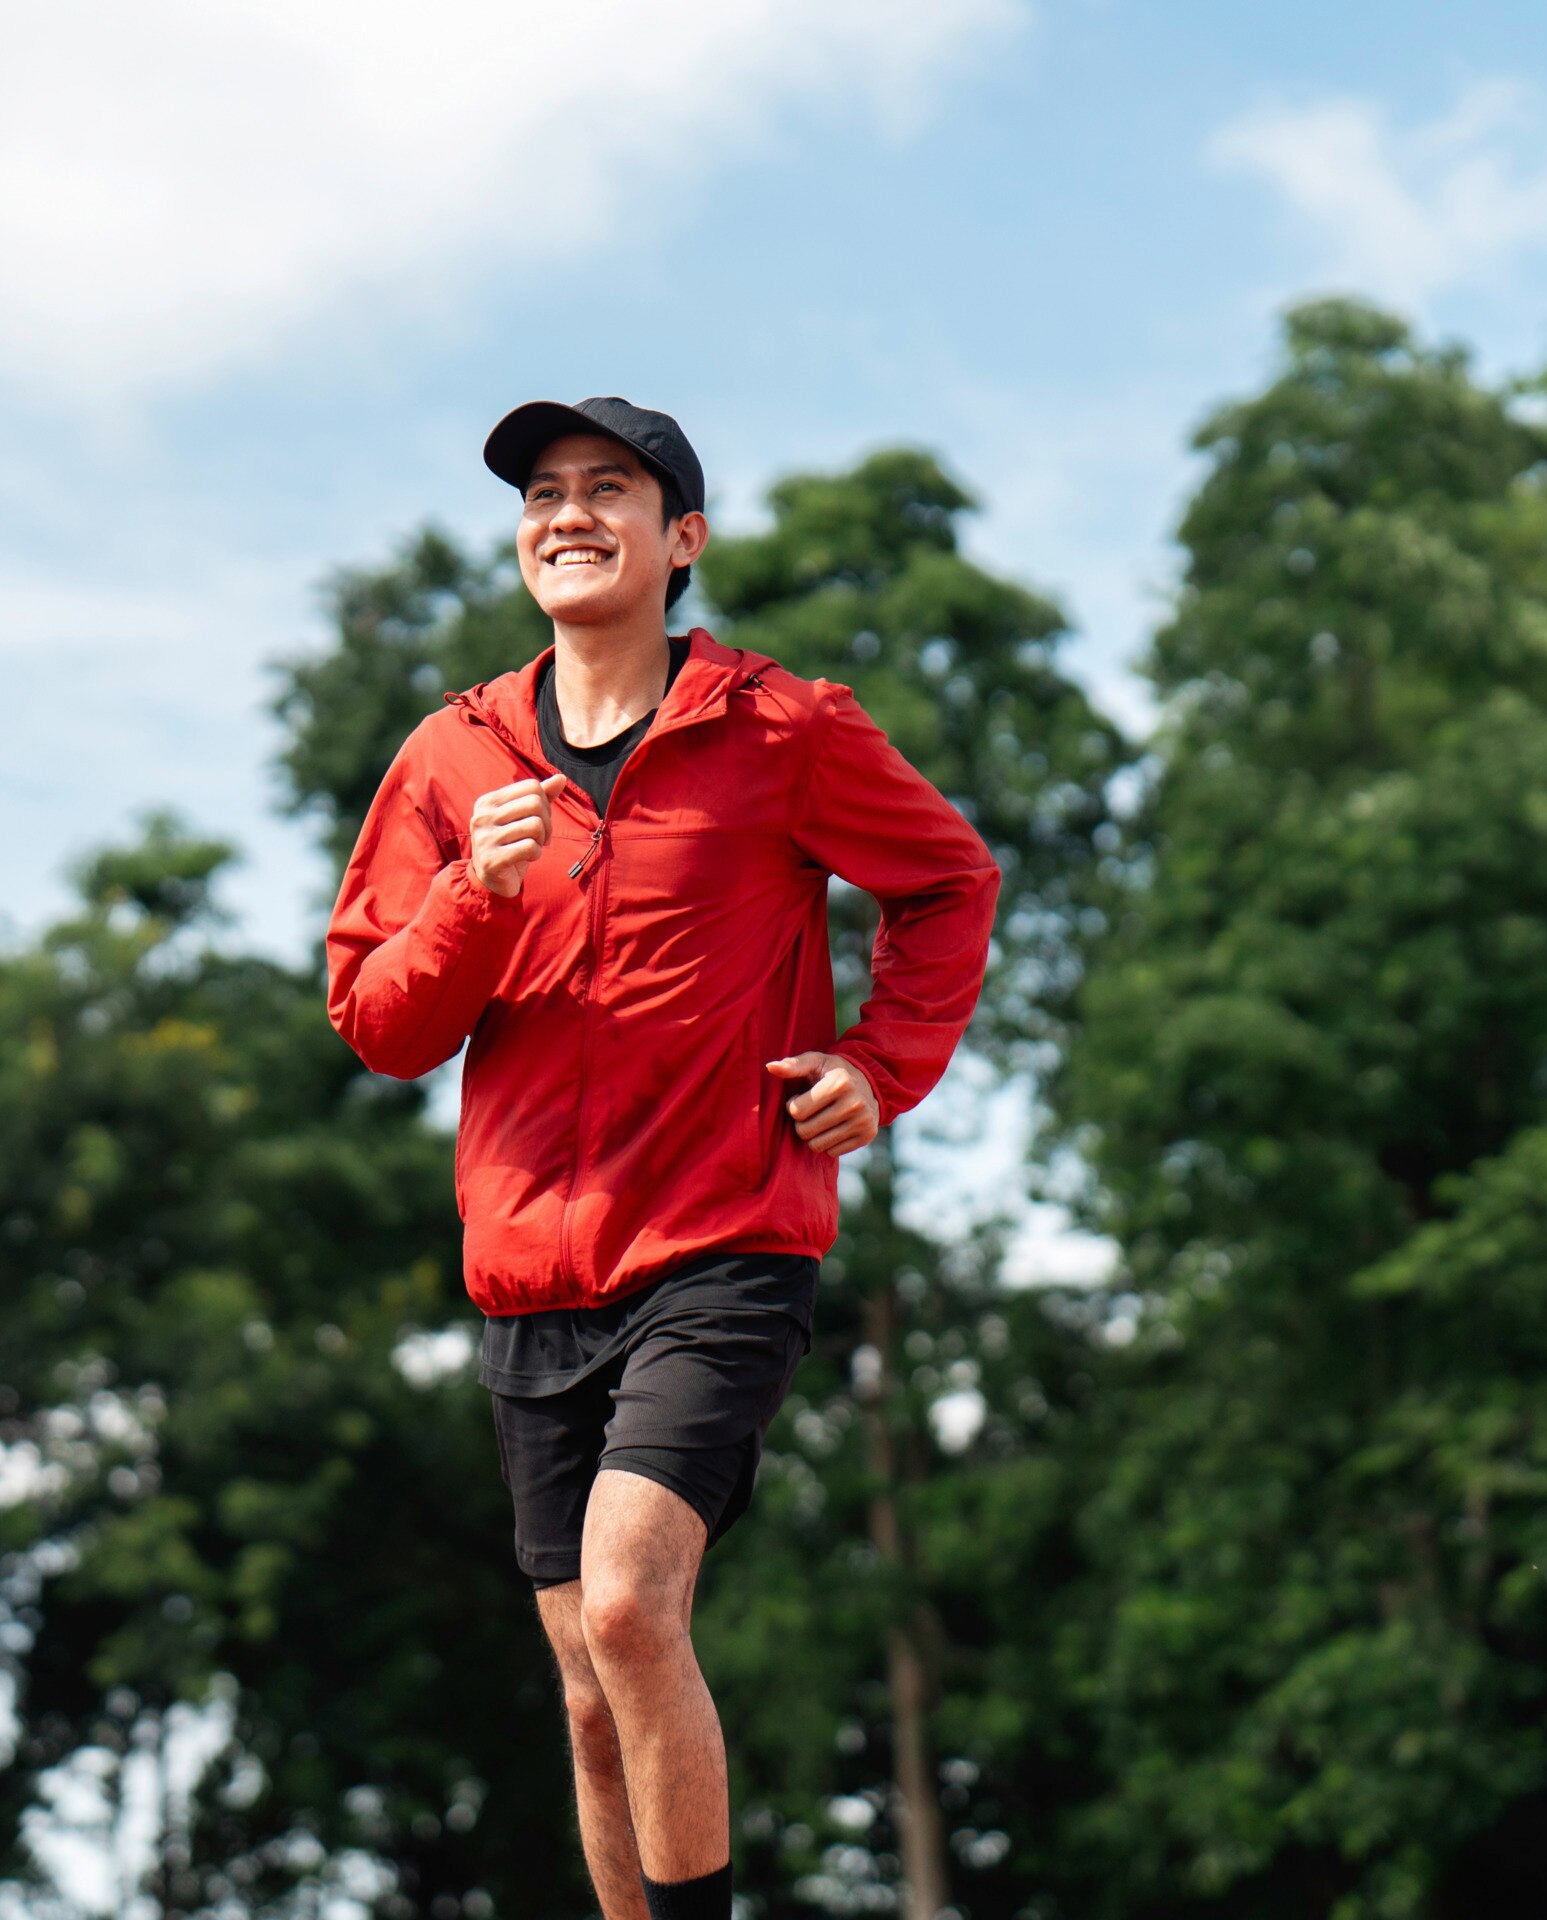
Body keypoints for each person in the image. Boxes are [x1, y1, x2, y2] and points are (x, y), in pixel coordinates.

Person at [325, 397, 998, 1920]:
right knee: (585, 1689)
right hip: (530, 1276)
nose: (568, 514)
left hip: (722, 1245)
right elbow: (378, 1023)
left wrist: (879, 1066)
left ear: (680, 537)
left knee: (631, 1607)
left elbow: (949, 882)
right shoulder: (452, 759)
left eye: (607, 489)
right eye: (541, 495)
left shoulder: (783, 730)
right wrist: (476, 896)